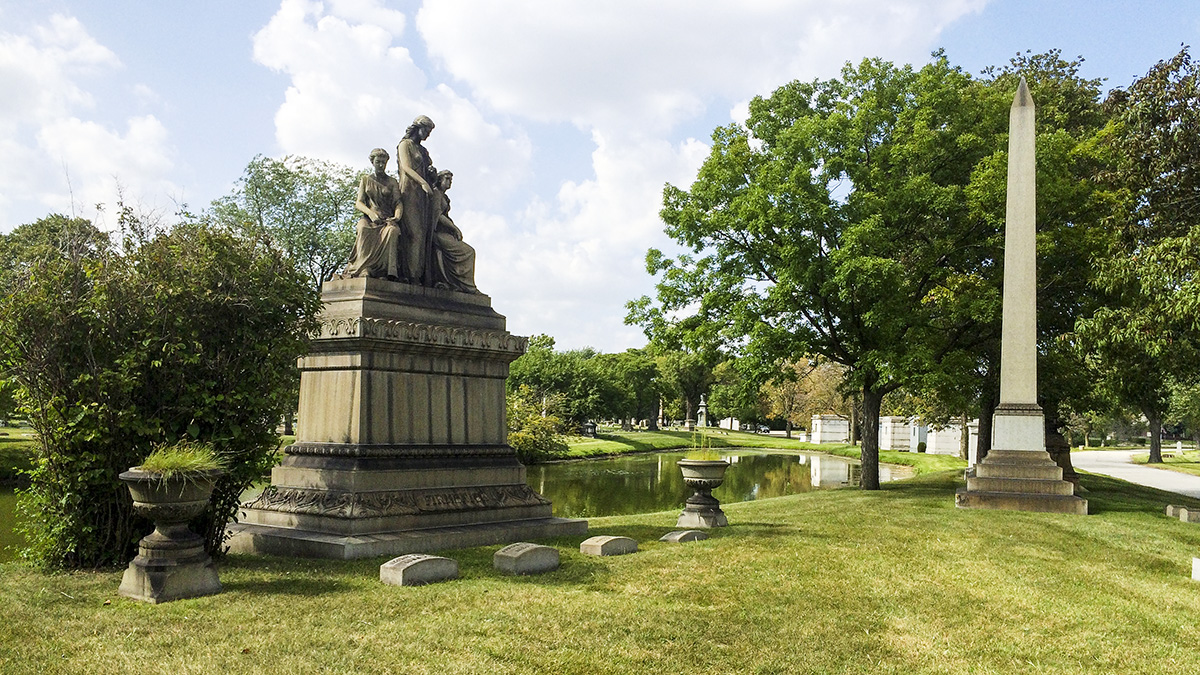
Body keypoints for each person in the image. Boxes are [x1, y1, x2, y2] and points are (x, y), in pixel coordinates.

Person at [343, 148, 403, 280]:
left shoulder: (392, 182)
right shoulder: (366, 180)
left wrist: (397, 217)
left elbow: (398, 203)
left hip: (386, 219)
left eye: (383, 162)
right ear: (373, 162)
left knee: (392, 232)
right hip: (369, 217)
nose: (381, 165)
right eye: (378, 162)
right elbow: (359, 202)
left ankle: (384, 272)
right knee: (363, 229)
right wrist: (371, 214)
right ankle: (364, 268)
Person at [396, 115, 438, 284]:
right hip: (409, 193)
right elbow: (405, 167)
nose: (427, 135)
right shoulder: (405, 145)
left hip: (423, 196)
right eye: (426, 130)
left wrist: (431, 174)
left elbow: (427, 172)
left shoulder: (423, 151)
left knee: (423, 236)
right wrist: (422, 182)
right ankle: (412, 276)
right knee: (415, 234)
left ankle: (419, 275)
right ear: (418, 127)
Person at [430, 170, 478, 293]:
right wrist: (454, 228)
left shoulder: (444, 197)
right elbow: (438, 215)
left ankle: (462, 284)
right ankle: (465, 285)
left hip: (446, 233)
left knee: (469, 251)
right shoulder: (436, 194)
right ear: (440, 180)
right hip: (438, 233)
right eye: (447, 178)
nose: (449, 182)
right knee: (468, 252)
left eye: (451, 179)